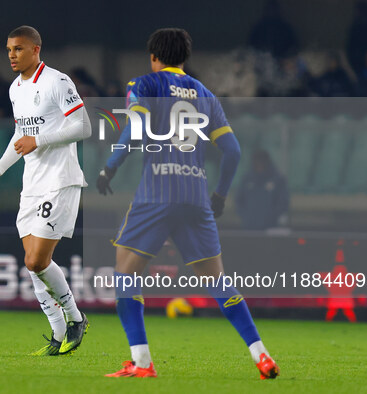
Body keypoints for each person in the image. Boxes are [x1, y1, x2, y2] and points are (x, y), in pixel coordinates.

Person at [97, 28, 279, 379]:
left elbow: (135, 127)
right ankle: (262, 357)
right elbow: (232, 150)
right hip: (196, 194)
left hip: (158, 192)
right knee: (218, 280)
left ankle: (142, 363)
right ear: (185, 58)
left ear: (154, 57)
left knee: (125, 271)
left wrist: (110, 167)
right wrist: (220, 194)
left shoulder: (145, 84)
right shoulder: (205, 94)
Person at [0, 26, 91, 356]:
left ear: (35, 50)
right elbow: (20, 136)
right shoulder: (15, 89)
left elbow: (84, 125)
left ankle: (75, 318)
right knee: (34, 265)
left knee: (36, 258)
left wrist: (38, 140)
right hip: (32, 184)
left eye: (18, 49)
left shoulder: (57, 82)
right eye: (9, 49)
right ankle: (58, 335)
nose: (11, 54)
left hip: (60, 180)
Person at [235, 150, 290, 230]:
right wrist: (246, 216)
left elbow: (283, 202)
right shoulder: (247, 179)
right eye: (257, 163)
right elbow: (239, 200)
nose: (259, 165)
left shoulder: (278, 180)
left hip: (270, 227)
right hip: (248, 227)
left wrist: (271, 217)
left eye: (261, 162)